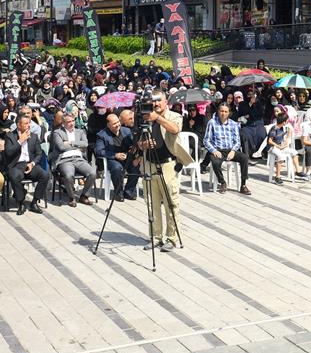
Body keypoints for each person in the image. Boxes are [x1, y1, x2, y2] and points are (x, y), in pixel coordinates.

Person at [138, 92, 192, 251]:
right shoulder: (146, 117)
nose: (156, 104)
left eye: (158, 101)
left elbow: (175, 129)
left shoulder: (173, 115)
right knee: (151, 203)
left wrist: (158, 118)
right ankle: (155, 237)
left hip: (168, 164)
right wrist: (144, 144)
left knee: (171, 203)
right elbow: (139, 141)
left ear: (165, 102)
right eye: (153, 101)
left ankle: (172, 238)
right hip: (150, 163)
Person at [4, 114, 49, 215]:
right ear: (18, 125)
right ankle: (21, 203)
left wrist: (32, 164)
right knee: (15, 176)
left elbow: (39, 153)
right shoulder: (10, 136)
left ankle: (34, 202)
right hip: (16, 165)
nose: (28, 125)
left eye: (29, 123)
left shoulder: (33, 136)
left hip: (29, 164)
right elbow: (8, 153)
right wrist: (20, 141)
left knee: (45, 175)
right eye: (26, 123)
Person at [202, 102, 250, 195]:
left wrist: (233, 151)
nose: (223, 113)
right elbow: (206, 140)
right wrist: (214, 150)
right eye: (221, 111)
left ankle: (243, 185)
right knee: (215, 162)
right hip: (218, 150)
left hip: (230, 150)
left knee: (244, 158)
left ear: (229, 113)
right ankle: (222, 182)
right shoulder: (212, 122)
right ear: (218, 111)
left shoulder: (233, 124)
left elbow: (237, 141)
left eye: (225, 111)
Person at [50, 112, 97, 206]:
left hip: (79, 159)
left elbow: (85, 144)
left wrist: (70, 143)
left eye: (73, 121)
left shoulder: (80, 132)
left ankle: (84, 196)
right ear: (63, 123)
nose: (71, 123)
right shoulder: (57, 132)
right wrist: (77, 146)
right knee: (68, 175)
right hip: (64, 160)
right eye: (68, 122)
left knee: (92, 173)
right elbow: (61, 147)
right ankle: (72, 197)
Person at [95, 112, 138, 200]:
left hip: (126, 156)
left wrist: (133, 148)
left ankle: (129, 191)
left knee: (136, 166)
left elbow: (133, 144)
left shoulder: (127, 131)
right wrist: (115, 155)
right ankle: (118, 192)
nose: (117, 125)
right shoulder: (101, 135)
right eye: (114, 123)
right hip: (112, 159)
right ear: (108, 125)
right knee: (117, 168)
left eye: (118, 122)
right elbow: (99, 151)